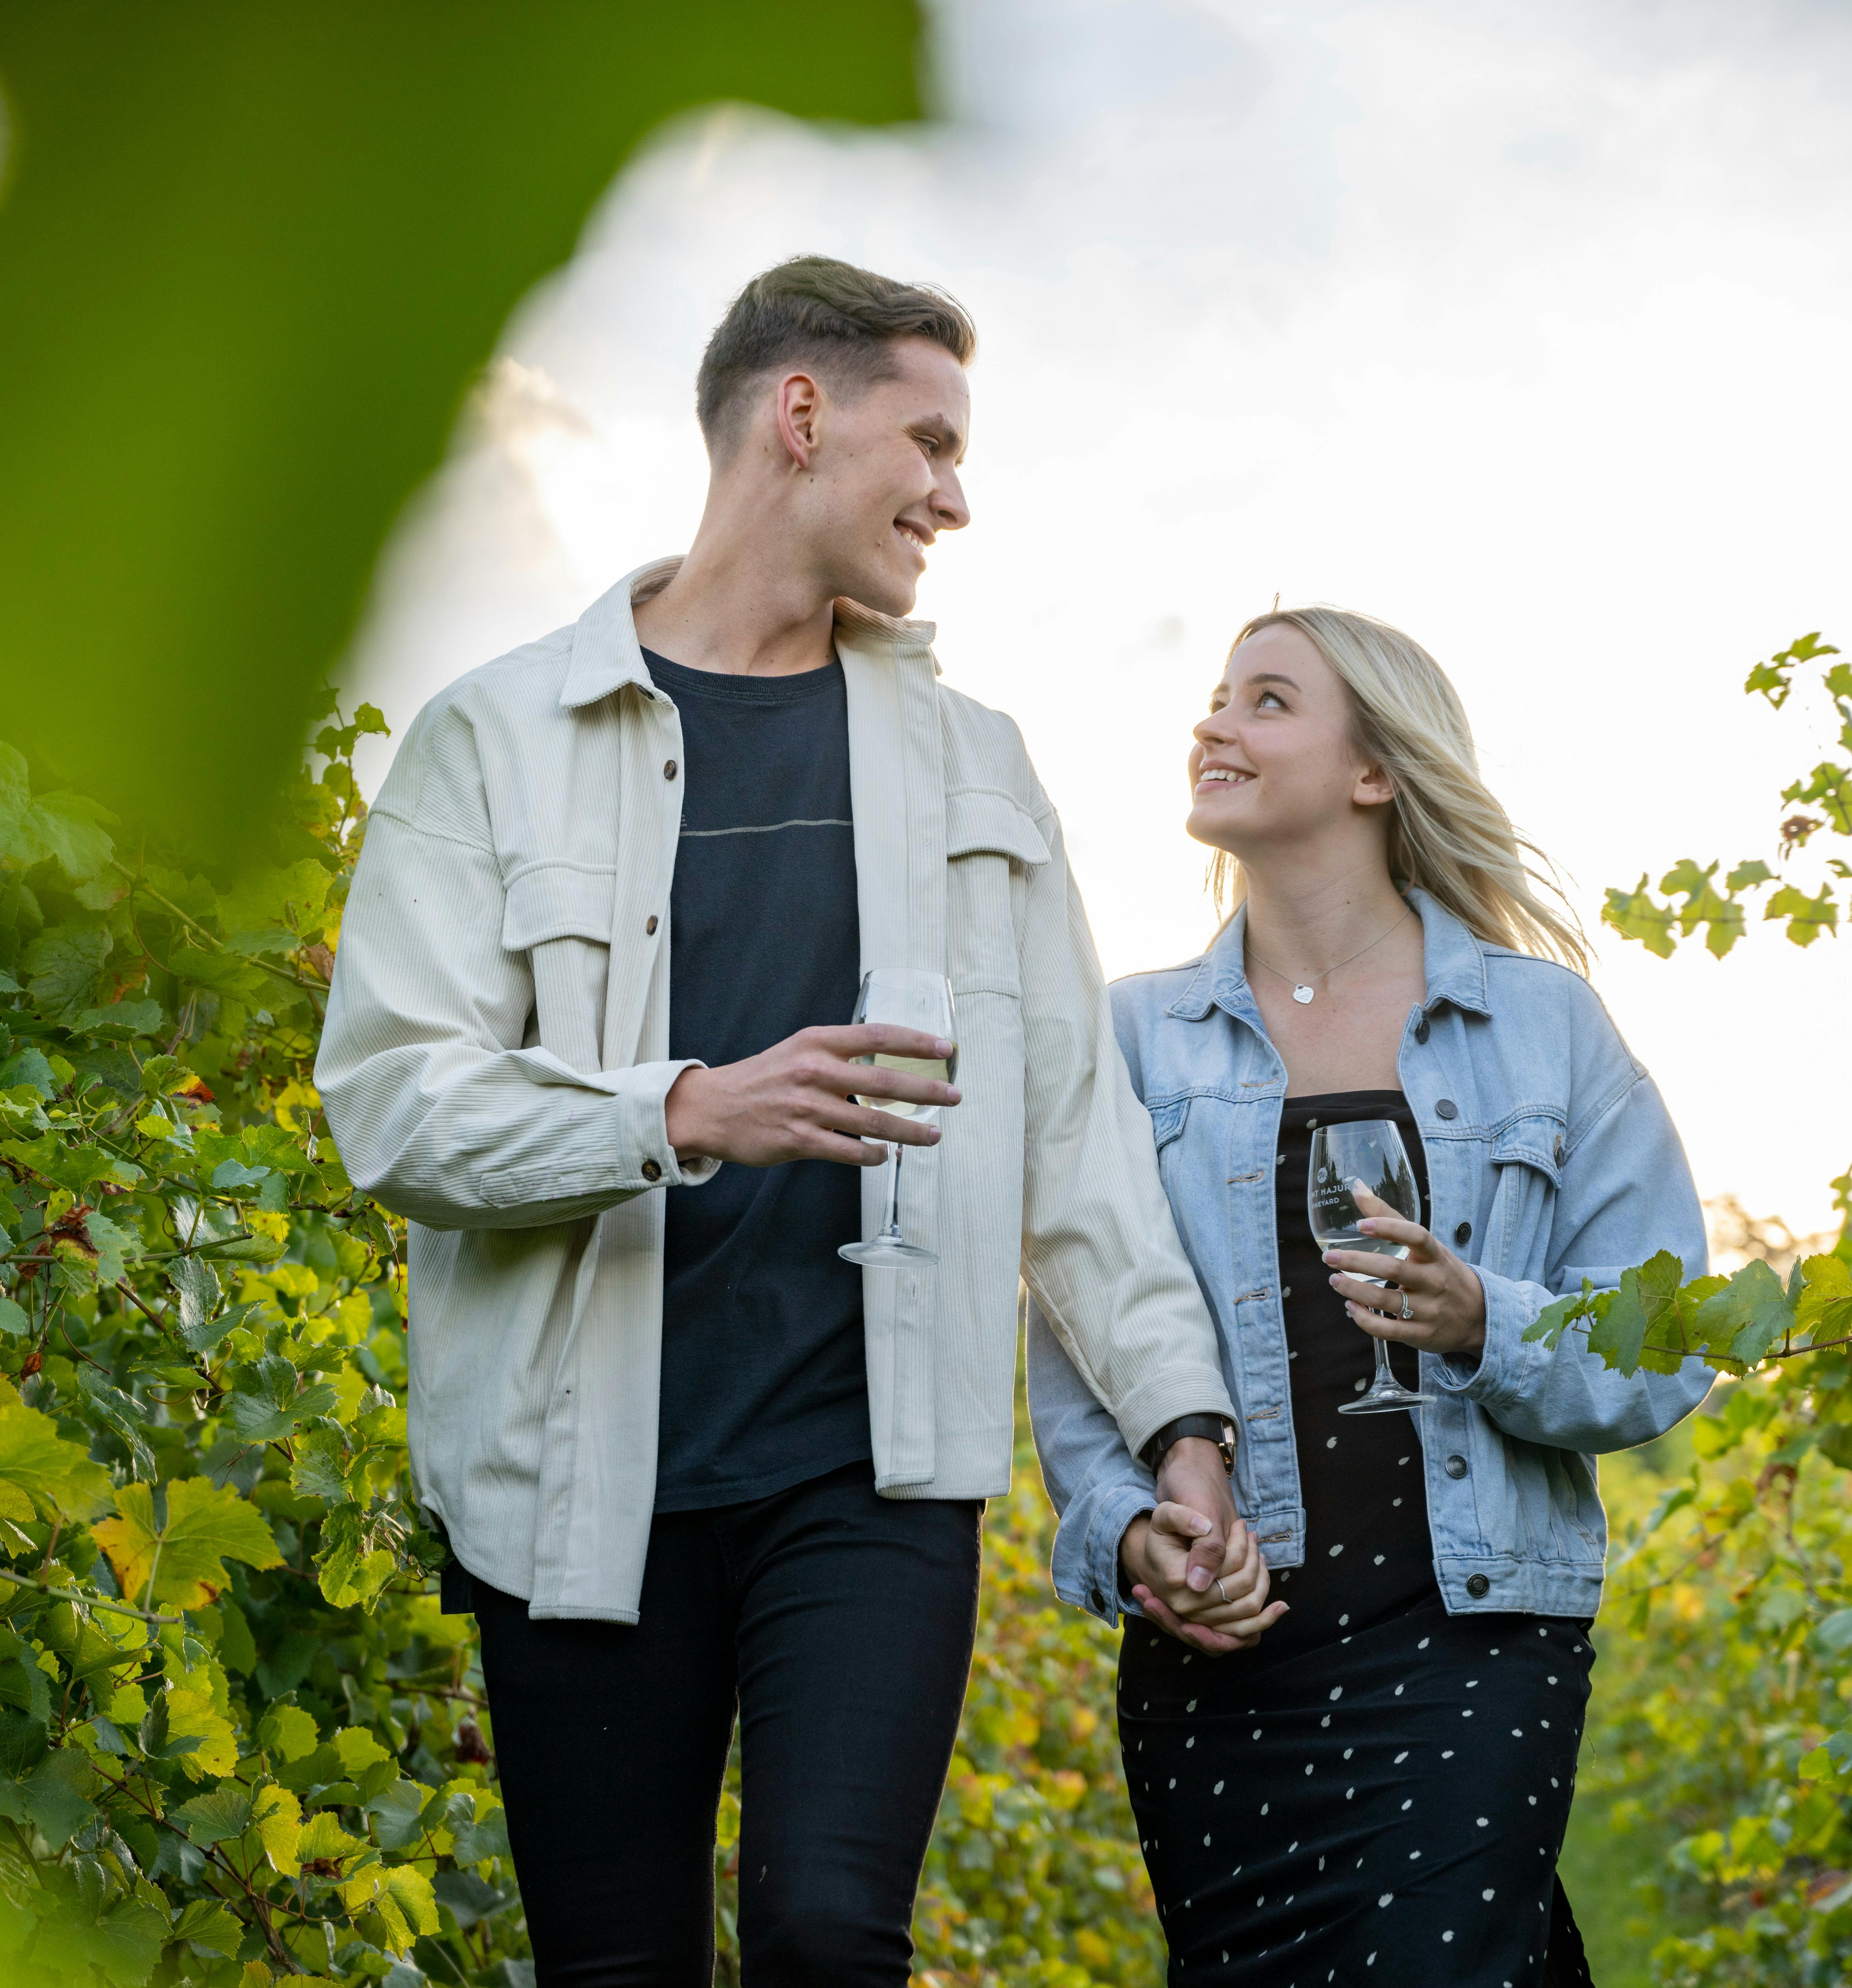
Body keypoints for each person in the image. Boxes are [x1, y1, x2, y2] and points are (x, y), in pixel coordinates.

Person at [315, 257, 1249, 1986]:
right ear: (799, 418)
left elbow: (1074, 1148)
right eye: (932, 441)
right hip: (573, 1488)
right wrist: (681, 1107)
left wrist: (1182, 1421)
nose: (957, 498)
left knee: (828, 1935)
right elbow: (394, 1104)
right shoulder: (490, 741)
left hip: (870, 1467)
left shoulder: (980, 767)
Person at [1026, 604, 1713, 1986]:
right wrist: (1123, 1536)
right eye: (1217, 698)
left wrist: (1485, 1322)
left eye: (1267, 700)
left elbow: (1665, 1343)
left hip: (1470, 1634)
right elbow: (1079, 1342)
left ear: (1375, 771)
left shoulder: (1544, 1024)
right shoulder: (1131, 1034)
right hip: (1225, 1660)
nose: (1214, 723)